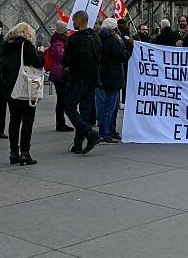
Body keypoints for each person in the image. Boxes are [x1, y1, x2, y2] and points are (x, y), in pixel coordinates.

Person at [0, 22, 43, 165]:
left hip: (10, 87)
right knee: (28, 120)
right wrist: (41, 53)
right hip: (25, 87)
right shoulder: (26, 45)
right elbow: (38, 63)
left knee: (14, 119)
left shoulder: (5, 46)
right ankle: (25, 153)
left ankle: (13, 153)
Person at [63, 10, 103, 155]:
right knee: (85, 110)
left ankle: (89, 134)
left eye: (74, 20)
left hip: (77, 78)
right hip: (92, 78)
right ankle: (78, 143)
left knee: (69, 107)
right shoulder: (96, 36)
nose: (73, 23)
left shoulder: (74, 39)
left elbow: (66, 60)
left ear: (79, 21)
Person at [96, 18, 127, 144]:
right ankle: (106, 133)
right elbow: (122, 56)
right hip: (113, 77)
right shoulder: (114, 40)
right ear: (114, 28)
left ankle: (107, 131)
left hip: (103, 76)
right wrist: (129, 48)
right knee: (111, 107)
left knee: (106, 106)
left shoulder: (99, 38)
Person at [45, 21, 73, 132]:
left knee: (62, 99)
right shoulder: (58, 43)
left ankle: (61, 123)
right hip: (60, 74)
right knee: (62, 100)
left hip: (59, 74)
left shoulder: (59, 41)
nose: (69, 32)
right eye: (67, 31)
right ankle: (60, 124)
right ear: (63, 32)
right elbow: (61, 56)